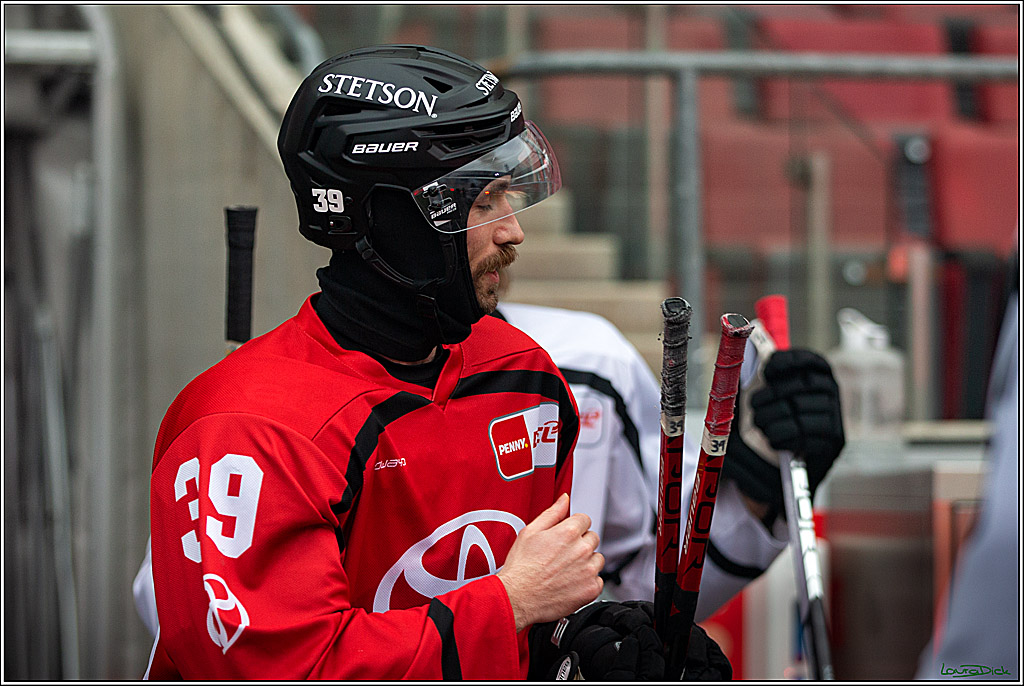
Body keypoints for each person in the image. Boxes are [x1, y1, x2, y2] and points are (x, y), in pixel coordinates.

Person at [143, 44, 727, 681]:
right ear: (388, 216)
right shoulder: (245, 428)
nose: (514, 231)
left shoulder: (521, 375)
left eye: (511, 197)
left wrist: (578, 644)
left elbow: (525, 616)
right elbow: (283, 669)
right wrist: (509, 604)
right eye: (483, 202)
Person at [494, 301, 846, 619]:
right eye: (477, 222)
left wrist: (761, 491)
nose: (511, 231)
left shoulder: (590, 360)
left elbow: (655, 587)